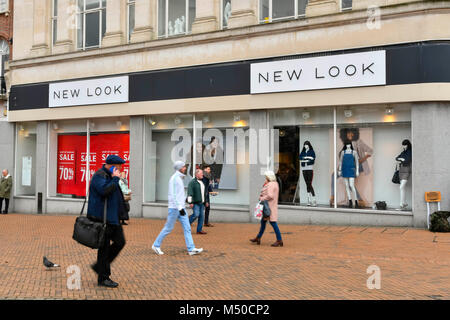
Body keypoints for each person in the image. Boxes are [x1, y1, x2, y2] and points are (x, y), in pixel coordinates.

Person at [88, 155, 127, 288]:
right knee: (104, 249)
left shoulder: (110, 177)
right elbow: (105, 191)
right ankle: (103, 278)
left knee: (120, 242)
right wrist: (116, 178)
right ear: (112, 166)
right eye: (119, 167)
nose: (120, 169)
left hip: (113, 219)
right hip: (103, 219)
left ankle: (100, 267)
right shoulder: (99, 176)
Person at [152, 161, 203, 256]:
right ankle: (156, 245)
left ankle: (191, 248)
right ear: (179, 168)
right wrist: (180, 208)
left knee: (187, 228)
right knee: (168, 228)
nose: (185, 168)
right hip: (175, 208)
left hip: (180, 208)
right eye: (183, 167)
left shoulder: (178, 178)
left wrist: (186, 200)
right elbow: (173, 195)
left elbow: (178, 195)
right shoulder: (174, 178)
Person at [250, 171, 283, 247]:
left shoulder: (271, 184)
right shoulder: (274, 183)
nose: (265, 178)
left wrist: (262, 198)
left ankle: (279, 240)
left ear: (269, 177)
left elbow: (270, 195)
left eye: (266, 176)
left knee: (273, 223)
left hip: (268, 207)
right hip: (269, 206)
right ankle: (258, 238)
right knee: (263, 223)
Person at [338, 140, 359, 208]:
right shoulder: (343, 152)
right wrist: (339, 170)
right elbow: (340, 162)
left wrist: (357, 170)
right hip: (344, 169)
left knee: (351, 185)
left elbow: (357, 162)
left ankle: (356, 201)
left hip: (351, 169)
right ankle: (350, 201)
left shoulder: (354, 152)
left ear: (351, 145)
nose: (348, 146)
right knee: (346, 186)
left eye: (349, 144)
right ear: (345, 145)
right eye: (347, 144)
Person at [187, 168, 208, 234]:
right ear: (197, 174)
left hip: (202, 203)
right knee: (196, 214)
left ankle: (199, 230)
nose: (202, 174)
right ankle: (186, 224)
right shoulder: (192, 182)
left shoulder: (202, 182)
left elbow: (204, 193)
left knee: (201, 216)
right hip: (195, 202)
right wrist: (190, 202)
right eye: (201, 173)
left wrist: (206, 201)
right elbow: (189, 193)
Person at [299, 141, 317, 206]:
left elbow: (313, 158)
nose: (305, 146)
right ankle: (309, 200)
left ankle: (314, 200)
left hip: (309, 169)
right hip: (304, 169)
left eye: (307, 145)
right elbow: (300, 158)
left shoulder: (312, 151)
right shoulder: (303, 152)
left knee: (309, 184)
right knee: (307, 184)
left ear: (309, 145)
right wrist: (308, 159)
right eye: (305, 145)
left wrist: (306, 158)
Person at [396, 139, 412, 210]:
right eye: (403, 145)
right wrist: (402, 159)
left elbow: (408, 160)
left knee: (401, 187)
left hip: (406, 170)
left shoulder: (409, 152)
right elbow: (396, 158)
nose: (404, 146)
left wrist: (402, 160)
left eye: (405, 145)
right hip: (401, 170)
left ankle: (402, 205)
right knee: (402, 187)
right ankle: (404, 203)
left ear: (408, 145)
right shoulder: (403, 152)